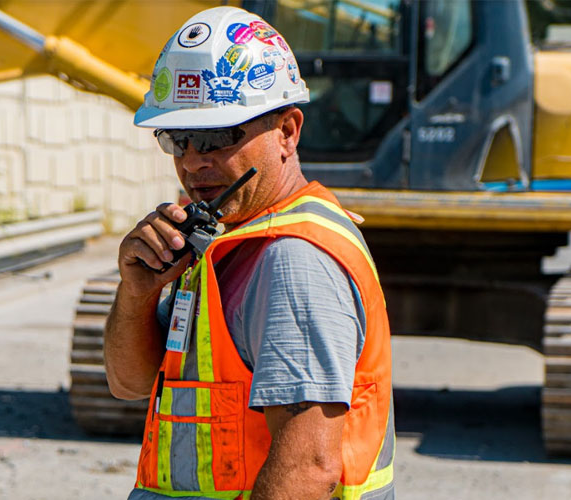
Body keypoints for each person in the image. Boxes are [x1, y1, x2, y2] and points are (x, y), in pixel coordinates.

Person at [104, 6, 394, 500]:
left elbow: (307, 468)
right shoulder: (219, 239)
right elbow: (128, 383)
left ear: (287, 131)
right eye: (178, 139)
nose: (194, 159)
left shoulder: (292, 258)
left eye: (220, 136)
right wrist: (136, 292)